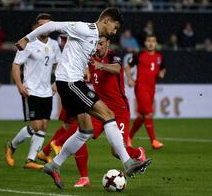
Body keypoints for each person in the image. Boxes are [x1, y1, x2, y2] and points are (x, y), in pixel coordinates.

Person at [15, 7, 151, 189]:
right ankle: (128, 163)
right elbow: (53, 25)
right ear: (106, 20)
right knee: (108, 114)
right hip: (70, 82)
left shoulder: (94, 37)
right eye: (115, 27)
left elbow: (77, 53)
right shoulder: (83, 28)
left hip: (70, 82)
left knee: (85, 130)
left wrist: (84, 66)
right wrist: (27, 38)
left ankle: (54, 165)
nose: (115, 31)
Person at [38, 36, 147, 188]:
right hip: (99, 108)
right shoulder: (89, 58)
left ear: (108, 44)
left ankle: (138, 153)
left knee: (116, 151)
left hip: (119, 110)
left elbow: (116, 68)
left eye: (101, 44)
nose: (98, 47)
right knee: (82, 132)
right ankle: (83, 177)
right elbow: (75, 73)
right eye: (96, 44)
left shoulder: (113, 56)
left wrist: (100, 66)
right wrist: (60, 82)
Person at [5, 13, 61, 170]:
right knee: (36, 125)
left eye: (47, 25)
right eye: (41, 25)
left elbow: (59, 65)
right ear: (36, 27)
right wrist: (19, 85)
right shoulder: (28, 43)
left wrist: (56, 83)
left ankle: (30, 160)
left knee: (43, 126)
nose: (44, 28)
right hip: (31, 90)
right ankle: (11, 145)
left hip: (47, 91)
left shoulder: (54, 45)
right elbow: (16, 65)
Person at [125, 34, 166, 149]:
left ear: (156, 43)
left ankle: (128, 137)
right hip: (141, 88)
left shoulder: (159, 56)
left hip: (151, 88)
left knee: (143, 116)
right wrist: (129, 79)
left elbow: (163, 67)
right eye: (149, 41)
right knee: (148, 114)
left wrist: (162, 72)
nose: (151, 43)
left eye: (153, 41)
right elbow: (127, 66)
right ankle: (153, 141)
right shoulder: (139, 55)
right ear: (145, 43)